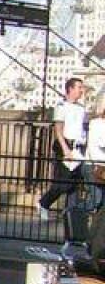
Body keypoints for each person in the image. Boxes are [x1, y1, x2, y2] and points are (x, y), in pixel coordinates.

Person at [39, 77, 89, 221]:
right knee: (63, 181)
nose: (81, 90)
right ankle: (44, 203)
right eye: (79, 87)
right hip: (66, 146)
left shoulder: (81, 108)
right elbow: (58, 129)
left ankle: (69, 214)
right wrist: (65, 149)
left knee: (74, 182)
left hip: (78, 146)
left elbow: (84, 128)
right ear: (70, 89)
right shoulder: (61, 106)